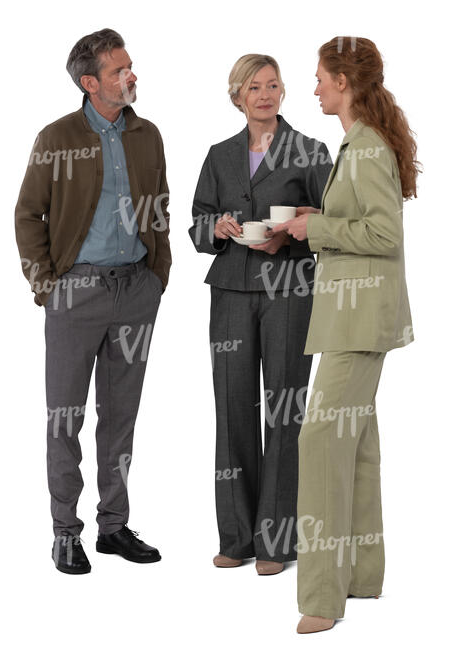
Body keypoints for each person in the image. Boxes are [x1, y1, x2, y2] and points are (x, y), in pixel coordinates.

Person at [272, 36, 419, 632]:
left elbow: (385, 235)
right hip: (350, 315)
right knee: (355, 445)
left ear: (344, 80)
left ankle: (322, 597)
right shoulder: (358, 144)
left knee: (321, 444)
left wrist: (316, 227)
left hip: (359, 321)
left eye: (319, 78)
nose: (313, 88)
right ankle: (361, 575)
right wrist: (317, 225)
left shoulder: (366, 150)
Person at [14, 28, 171, 574]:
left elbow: (161, 208)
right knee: (66, 417)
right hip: (75, 293)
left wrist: (158, 274)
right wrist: (47, 287)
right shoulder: (56, 137)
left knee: (121, 416)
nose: (131, 76)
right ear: (90, 82)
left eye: (130, 66)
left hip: (135, 289)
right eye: (118, 71)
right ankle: (64, 532)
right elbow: (27, 214)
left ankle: (113, 526)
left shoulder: (146, 134)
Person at [189, 54, 332, 575]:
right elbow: (197, 225)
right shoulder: (219, 155)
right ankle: (237, 537)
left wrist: (296, 223)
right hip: (230, 290)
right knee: (232, 409)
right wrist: (219, 228)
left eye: (273, 85)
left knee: (284, 412)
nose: (266, 95)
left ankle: (276, 542)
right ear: (238, 96)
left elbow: (333, 216)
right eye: (255, 87)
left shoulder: (310, 151)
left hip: (290, 290)